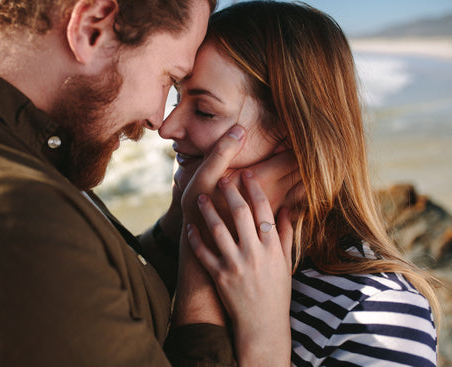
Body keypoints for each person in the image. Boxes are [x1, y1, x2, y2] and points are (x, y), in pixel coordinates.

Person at [0, 0, 283, 365]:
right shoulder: (14, 223)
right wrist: (238, 322)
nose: (158, 121)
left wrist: (179, 227)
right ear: (92, 26)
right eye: (168, 78)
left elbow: (103, 279)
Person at [159, 1, 440, 366]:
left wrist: (265, 338)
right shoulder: (173, 252)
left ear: (294, 134)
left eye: (204, 111)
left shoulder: (378, 311)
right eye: (176, 97)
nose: (167, 127)